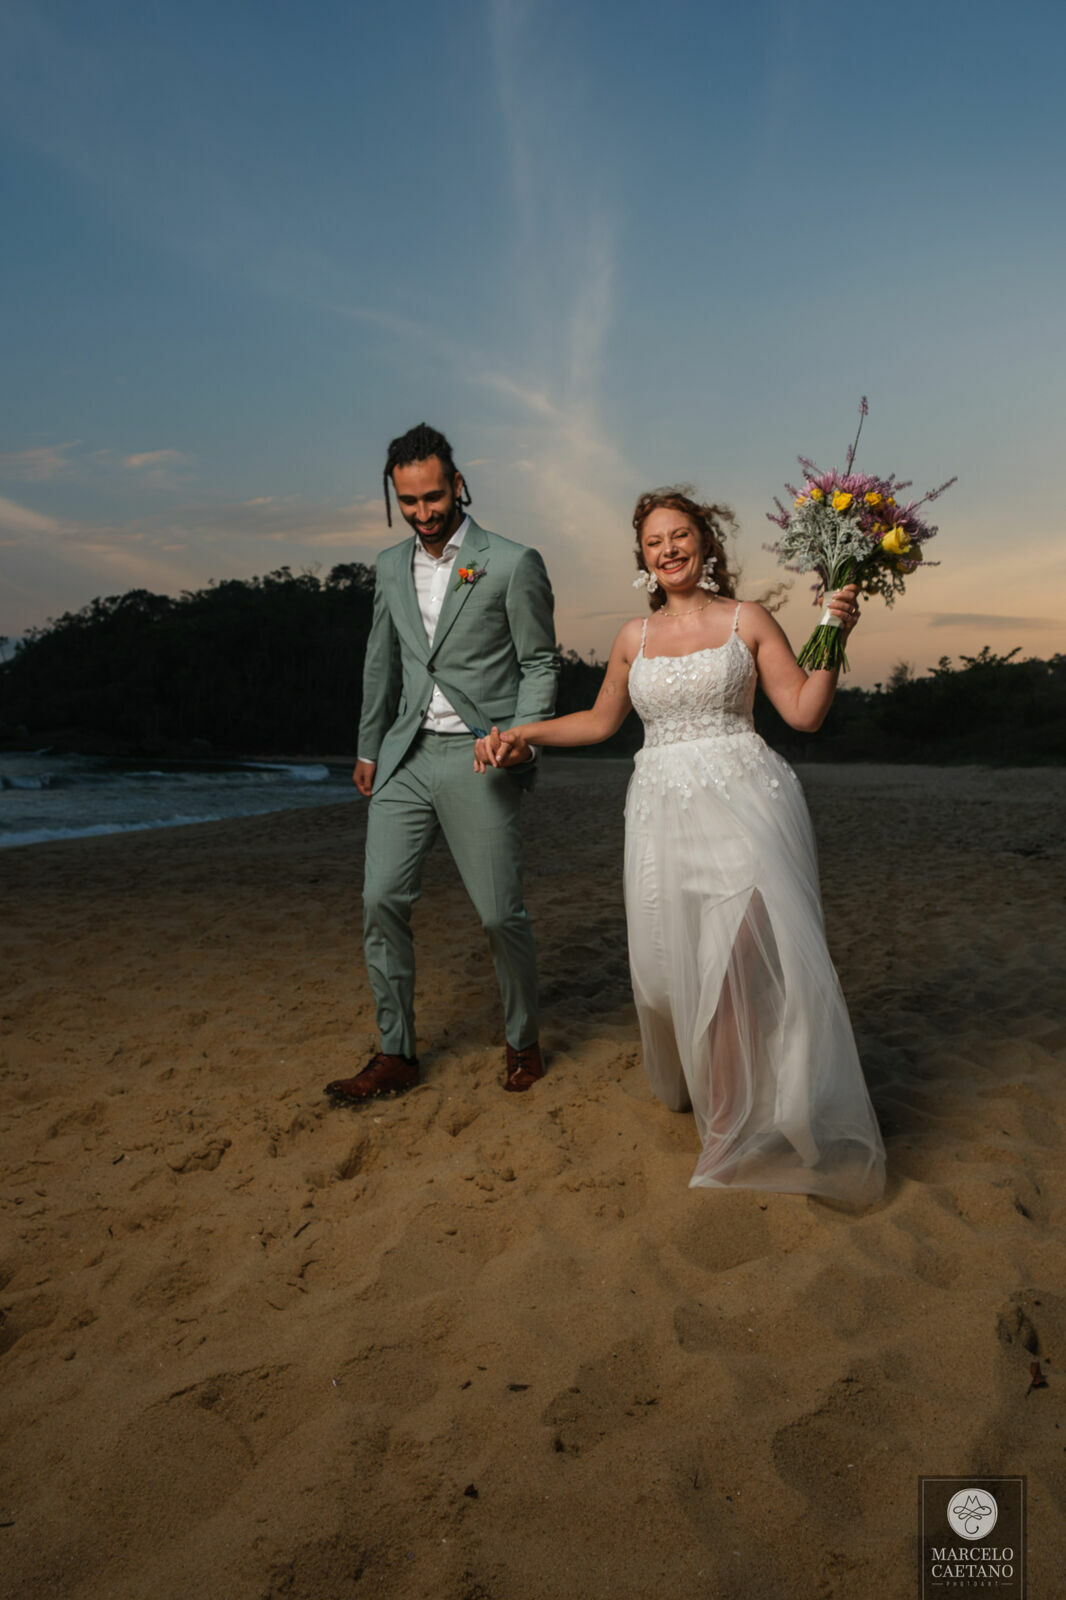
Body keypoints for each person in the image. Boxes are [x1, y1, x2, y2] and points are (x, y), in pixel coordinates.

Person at [478, 487, 885, 1204]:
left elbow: (805, 712)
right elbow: (602, 723)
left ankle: (732, 1128)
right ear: (642, 556)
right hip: (661, 813)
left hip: (748, 802)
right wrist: (523, 732)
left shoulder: (747, 618)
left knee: (733, 968)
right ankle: (714, 1092)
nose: (668, 549)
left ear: (707, 543)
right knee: (672, 971)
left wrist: (834, 627)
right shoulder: (633, 639)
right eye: (655, 540)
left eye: (681, 535)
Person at [325, 423, 559, 1105]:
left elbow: (538, 661)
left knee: (497, 914)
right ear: (394, 497)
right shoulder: (389, 565)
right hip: (405, 755)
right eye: (409, 502)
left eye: (433, 497)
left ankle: (523, 1040)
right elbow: (382, 661)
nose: (423, 513)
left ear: (457, 485)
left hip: (480, 757)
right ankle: (396, 1053)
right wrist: (370, 746)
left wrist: (521, 735)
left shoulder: (512, 562)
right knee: (379, 900)